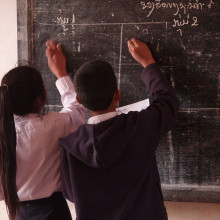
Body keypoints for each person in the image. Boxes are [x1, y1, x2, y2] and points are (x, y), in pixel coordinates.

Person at [59, 38, 179, 220]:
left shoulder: (70, 147)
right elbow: (167, 102)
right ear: (118, 95)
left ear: (80, 101)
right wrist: (148, 64)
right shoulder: (139, 126)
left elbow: (70, 193)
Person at [0, 40, 86, 220]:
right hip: (52, 211)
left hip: (18, 213)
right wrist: (61, 74)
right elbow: (78, 111)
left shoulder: (3, 136)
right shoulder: (52, 126)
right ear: (40, 99)